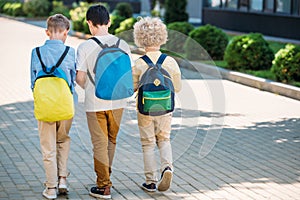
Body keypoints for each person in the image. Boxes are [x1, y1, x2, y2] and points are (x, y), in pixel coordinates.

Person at [76, 4, 133, 199]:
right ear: (109, 22)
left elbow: (80, 78)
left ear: (89, 23)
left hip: (95, 102)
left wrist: (90, 88)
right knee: (111, 140)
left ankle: (103, 185)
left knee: (99, 143)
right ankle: (106, 175)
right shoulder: (123, 44)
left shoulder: (84, 47)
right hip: (118, 102)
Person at [132, 17, 182, 192]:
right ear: (162, 37)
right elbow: (178, 88)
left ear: (140, 38)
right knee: (164, 139)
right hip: (165, 108)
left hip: (145, 109)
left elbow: (132, 87)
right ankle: (167, 167)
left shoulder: (139, 63)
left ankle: (151, 181)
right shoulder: (171, 62)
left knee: (147, 143)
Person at [30, 14, 76, 199]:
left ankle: (50, 188)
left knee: (48, 147)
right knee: (63, 140)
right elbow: (72, 80)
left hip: (45, 105)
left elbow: (32, 81)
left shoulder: (36, 52)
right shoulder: (70, 52)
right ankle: (63, 179)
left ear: (47, 32)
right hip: (65, 104)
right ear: (66, 32)